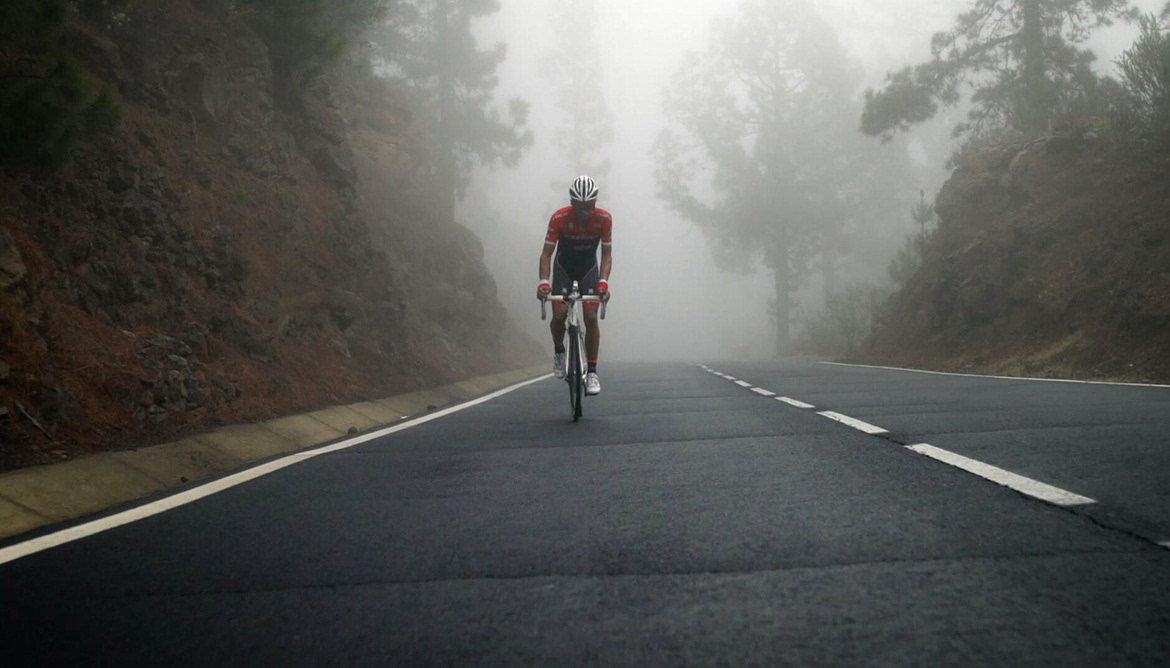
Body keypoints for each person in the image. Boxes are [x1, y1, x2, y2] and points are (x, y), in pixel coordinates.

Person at [537, 175, 612, 395]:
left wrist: (603, 283)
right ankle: (560, 350)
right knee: (559, 317)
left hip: (589, 270)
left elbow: (606, 255)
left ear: (595, 204)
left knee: (590, 317)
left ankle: (592, 372)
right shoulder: (559, 218)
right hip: (564, 270)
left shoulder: (605, 219)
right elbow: (546, 254)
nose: (584, 212)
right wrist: (543, 282)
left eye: (589, 207)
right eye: (579, 207)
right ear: (572, 204)